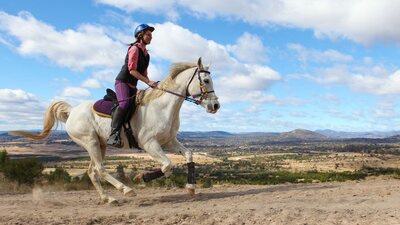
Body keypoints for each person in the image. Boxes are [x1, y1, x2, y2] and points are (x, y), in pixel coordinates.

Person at [107, 23, 157, 148]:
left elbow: (144, 73)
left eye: (151, 35)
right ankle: (113, 134)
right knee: (124, 104)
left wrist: (151, 83)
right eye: (148, 34)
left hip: (132, 85)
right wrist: (147, 82)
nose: (150, 37)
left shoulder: (147, 55)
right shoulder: (134, 49)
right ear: (140, 35)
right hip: (122, 82)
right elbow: (132, 70)